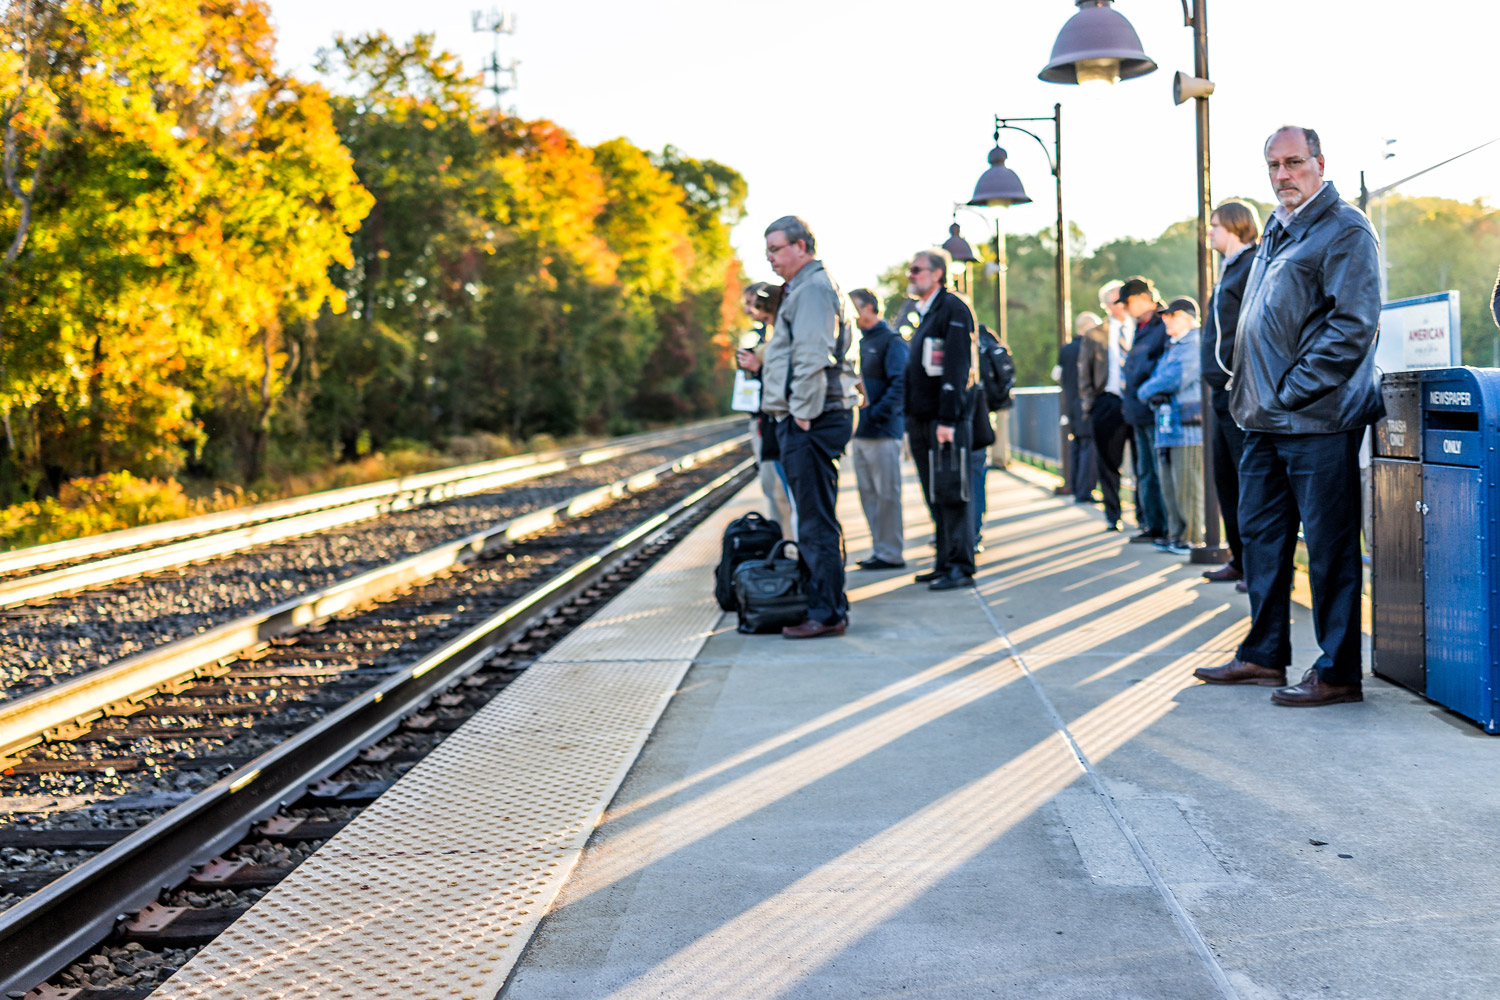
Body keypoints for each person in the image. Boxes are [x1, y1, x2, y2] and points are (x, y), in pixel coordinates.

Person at [1193, 125, 1383, 707]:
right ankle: (1262, 656)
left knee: (1328, 548)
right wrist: (1253, 399)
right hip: (1263, 420)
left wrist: (1289, 392)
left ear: (1320, 164)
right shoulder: (1278, 230)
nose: (1282, 175)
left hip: (1318, 419)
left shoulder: (1345, 228)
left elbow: (1352, 325)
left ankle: (1338, 672)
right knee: (1262, 540)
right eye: (1273, 165)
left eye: (1294, 162)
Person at [759, 216, 860, 639]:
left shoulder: (814, 289)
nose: (770, 259)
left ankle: (827, 613)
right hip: (808, 417)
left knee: (815, 520)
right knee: (815, 516)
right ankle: (824, 604)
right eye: (768, 251)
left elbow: (812, 356)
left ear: (801, 246)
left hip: (811, 419)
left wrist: (800, 414)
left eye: (776, 249)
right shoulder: (804, 287)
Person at [903, 248, 979, 591]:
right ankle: (943, 562)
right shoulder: (927, 311)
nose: (910, 275)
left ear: (937, 274)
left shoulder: (953, 308)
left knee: (952, 494)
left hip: (943, 420)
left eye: (917, 269)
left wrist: (948, 419)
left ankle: (960, 567)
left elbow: (956, 366)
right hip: (923, 420)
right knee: (936, 494)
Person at [1201, 199, 1261, 589]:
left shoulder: (1253, 264)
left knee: (1251, 483)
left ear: (1236, 227)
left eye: (1215, 225)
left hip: (1237, 393)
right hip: (1221, 397)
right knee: (1226, 480)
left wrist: (1233, 378)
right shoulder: (1227, 270)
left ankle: (1262, 568)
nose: (1209, 232)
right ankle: (1239, 559)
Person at [1136, 297, 1204, 554]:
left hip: (1187, 429)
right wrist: (1150, 390)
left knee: (1188, 485)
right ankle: (1177, 534)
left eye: (1171, 316)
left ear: (1187, 317)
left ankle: (1191, 537)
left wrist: (1146, 391)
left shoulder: (1192, 344)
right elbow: (1158, 379)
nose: (1165, 320)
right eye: (1164, 316)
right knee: (1170, 485)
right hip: (1167, 427)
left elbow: (1173, 379)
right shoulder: (1173, 346)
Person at [849, 287, 908, 571]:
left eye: (856, 307)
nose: (851, 314)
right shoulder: (858, 342)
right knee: (868, 495)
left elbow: (900, 385)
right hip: (861, 433)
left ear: (871, 308)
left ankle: (891, 552)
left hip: (883, 432)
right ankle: (880, 549)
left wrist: (876, 414)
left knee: (887, 495)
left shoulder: (891, 341)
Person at [735, 283, 797, 539]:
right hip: (766, 421)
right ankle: (784, 544)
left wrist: (758, 368)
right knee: (774, 492)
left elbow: (781, 377)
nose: (750, 310)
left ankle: (791, 547)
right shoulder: (762, 335)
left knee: (785, 494)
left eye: (754, 303)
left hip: (780, 422)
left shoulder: (783, 336)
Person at [1118, 276, 1170, 544]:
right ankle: (1152, 525)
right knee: (1145, 471)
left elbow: (1162, 367)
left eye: (1126, 303)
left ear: (1140, 299)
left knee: (1157, 471)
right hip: (1138, 411)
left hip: (1153, 410)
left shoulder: (1162, 324)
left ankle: (1163, 527)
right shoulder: (1142, 326)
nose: (1124, 309)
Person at [1079, 280, 1133, 531]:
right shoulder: (1094, 335)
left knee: (1143, 462)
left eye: (1124, 300)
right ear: (1107, 306)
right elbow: (1084, 374)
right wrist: (1090, 404)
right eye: (1116, 302)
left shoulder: (1141, 328)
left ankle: (1145, 518)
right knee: (1109, 463)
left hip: (1137, 401)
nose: (1122, 306)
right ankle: (1114, 514)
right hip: (1107, 402)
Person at [1057, 312, 1101, 504]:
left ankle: (1075, 486)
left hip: (1070, 403)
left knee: (1077, 445)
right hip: (1085, 402)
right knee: (1089, 448)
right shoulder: (1089, 346)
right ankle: (1085, 490)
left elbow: (1057, 374)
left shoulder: (1065, 350)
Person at [972, 324, 1009, 551]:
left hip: (970, 417)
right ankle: (975, 532)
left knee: (970, 476)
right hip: (984, 414)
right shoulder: (986, 339)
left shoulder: (964, 338)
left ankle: (968, 533)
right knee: (977, 476)